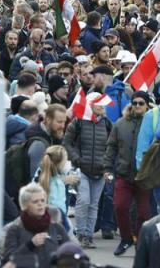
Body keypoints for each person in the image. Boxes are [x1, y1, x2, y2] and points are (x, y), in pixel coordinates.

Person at [104, 90, 151, 256]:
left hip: (144, 176)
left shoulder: (152, 123)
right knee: (119, 206)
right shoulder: (121, 123)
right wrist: (107, 168)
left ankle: (138, 239)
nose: (137, 106)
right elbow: (111, 147)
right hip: (123, 173)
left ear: (147, 106)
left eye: (141, 103)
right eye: (135, 103)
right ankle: (126, 238)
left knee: (144, 213)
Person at [62, 93, 112, 248]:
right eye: (98, 103)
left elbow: (112, 146)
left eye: (103, 104)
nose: (102, 106)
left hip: (100, 170)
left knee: (94, 204)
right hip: (81, 169)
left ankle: (88, 236)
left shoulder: (108, 124)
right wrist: (78, 159)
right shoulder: (78, 122)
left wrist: (107, 165)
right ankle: (82, 233)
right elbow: (67, 143)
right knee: (84, 200)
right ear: (90, 104)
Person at [2, 183, 71, 267]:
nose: (40, 204)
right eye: (35, 202)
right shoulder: (15, 229)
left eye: (42, 200)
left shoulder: (56, 227)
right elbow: (9, 259)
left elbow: (71, 251)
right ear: (25, 206)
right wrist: (30, 244)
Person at [35, 145, 79, 230]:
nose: (68, 162)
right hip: (54, 223)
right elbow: (58, 208)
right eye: (66, 160)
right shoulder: (56, 183)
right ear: (58, 163)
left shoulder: (42, 173)